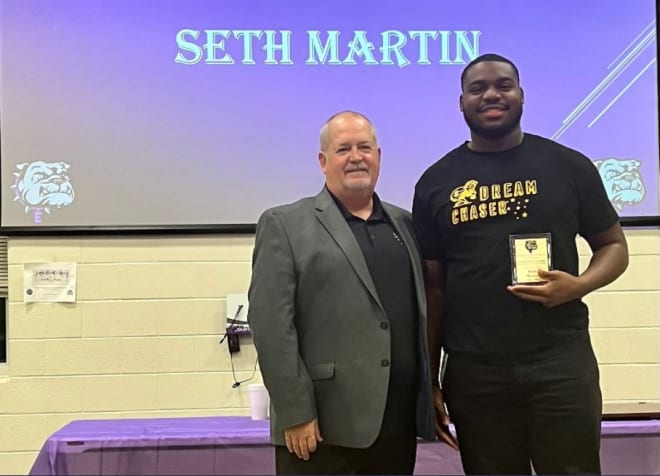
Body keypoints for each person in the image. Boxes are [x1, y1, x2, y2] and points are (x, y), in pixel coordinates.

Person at [412, 53, 629, 475]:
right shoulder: (436, 182)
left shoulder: (568, 166)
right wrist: (431, 380)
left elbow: (614, 247)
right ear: (461, 102)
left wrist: (578, 285)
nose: (491, 94)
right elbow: (433, 290)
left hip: (560, 363)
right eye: (478, 88)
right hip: (475, 372)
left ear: (521, 95)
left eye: (503, 85)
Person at [247, 111, 436, 474]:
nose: (356, 157)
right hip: (322, 430)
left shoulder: (406, 224)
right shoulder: (284, 224)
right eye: (343, 149)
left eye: (364, 147)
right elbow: (271, 326)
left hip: (396, 427)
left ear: (378, 156)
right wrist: (295, 410)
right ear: (323, 161)